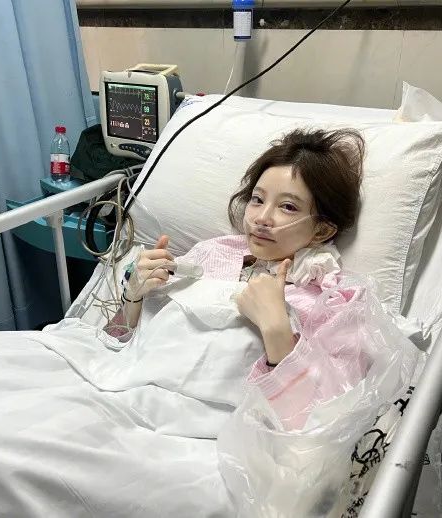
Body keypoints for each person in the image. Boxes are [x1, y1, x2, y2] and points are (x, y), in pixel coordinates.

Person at [105, 127, 366, 426]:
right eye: (257, 199)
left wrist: (277, 332)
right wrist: (133, 297)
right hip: (128, 396)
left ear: (322, 229)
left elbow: (321, 420)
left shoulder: (332, 300)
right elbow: (118, 345)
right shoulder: (210, 253)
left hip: (223, 429)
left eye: (288, 206)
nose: (262, 218)